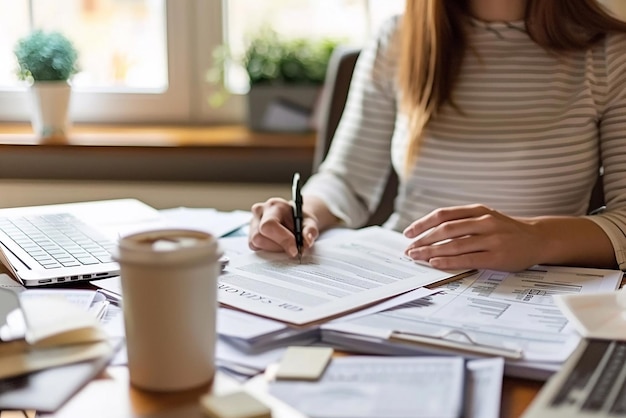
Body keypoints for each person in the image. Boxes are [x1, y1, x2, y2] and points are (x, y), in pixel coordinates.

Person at [248, 0, 626, 273]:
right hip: (402, 278)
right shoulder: (397, 39)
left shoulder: (609, 52)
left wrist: (538, 238)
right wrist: (302, 213)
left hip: (535, 292)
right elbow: (345, 181)